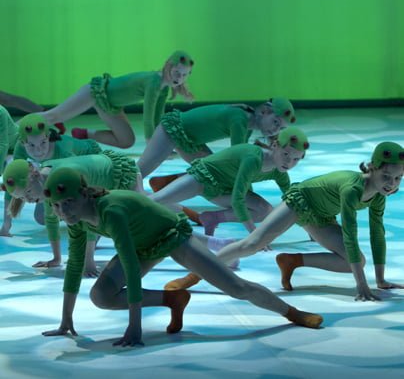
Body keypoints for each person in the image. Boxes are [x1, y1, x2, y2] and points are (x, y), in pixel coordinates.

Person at [41, 168, 323, 348]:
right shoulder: (77, 219)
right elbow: (74, 265)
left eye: (69, 202)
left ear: (85, 193)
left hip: (171, 235)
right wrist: (66, 320)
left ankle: (291, 312)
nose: (64, 212)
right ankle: (173, 299)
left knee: (236, 287)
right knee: (101, 296)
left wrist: (134, 328)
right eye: (56, 206)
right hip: (142, 245)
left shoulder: (111, 211)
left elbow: (130, 265)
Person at [166, 142, 404, 301]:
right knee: (252, 244)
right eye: (386, 176)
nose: (391, 184)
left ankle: (292, 261)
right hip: (300, 201)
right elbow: (350, 234)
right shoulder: (352, 189)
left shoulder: (379, 195)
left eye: (398, 178)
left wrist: (380, 280)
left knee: (356, 261)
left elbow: (377, 234)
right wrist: (361, 285)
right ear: (372, 167)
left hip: (321, 215)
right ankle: (195, 275)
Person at [149, 127, 308, 235]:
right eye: (286, 154)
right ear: (275, 145)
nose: (289, 163)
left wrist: (311, 231)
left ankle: (212, 218)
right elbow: (238, 199)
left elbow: (293, 204)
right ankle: (134, 199)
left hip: (224, 190)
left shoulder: (280, 172)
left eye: (296, 159)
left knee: (264, 211)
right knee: (156, 200)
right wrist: (254, 236)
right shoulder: (253, 159)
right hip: (203, 178)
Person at [2, 150, 142, 274]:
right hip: (105, 178)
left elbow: (90, 215)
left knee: (141, 214)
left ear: (36, 175)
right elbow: (51, 220)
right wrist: (56, 258)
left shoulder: (64, 179)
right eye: (22, 198)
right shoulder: (47, 181)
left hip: (121, 172)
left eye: (28, 192)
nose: (28, 200)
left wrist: (89, 262)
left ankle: (159, 195)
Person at [41, 51, 194, 148]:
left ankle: (83, 134)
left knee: (127, 141)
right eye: (176, 72)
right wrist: (152, 144)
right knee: (53, 116)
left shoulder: (164, 88)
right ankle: (25, 130)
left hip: (110, 106)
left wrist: (161, 141)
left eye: (184, 75)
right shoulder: (154, 82)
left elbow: (157, 117)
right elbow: (148, 117)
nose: (179, 78)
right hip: (96, 92)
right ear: (168, 66)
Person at [137, 98, 296, 182]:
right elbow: (238, 158)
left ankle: (166, 183)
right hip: (174, 128)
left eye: (281, 128)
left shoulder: (247, 124)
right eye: (276, 122)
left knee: (212, 173)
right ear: (264, 111)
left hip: (191, 141)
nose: (276, 130)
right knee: (139, 173)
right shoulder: (239, 119)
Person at [0, 114, 102, 237]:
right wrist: (6, 224)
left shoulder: (63, 150)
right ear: (23, 142)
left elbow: (83, 178)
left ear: (48, 137)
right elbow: (15, 182)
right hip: (53, 172)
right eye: (31, 145)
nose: (38, 151)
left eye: (43, 143)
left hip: (91, 160)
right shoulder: (20, 148)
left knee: (76, 199)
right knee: (41, 217)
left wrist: (90, 223)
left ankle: (86, 134)